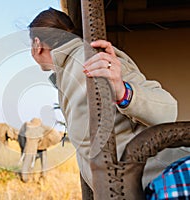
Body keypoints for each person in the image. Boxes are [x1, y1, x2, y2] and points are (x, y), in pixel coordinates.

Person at [28, 7, 181, 199]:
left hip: (162, 184)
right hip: (130, 188)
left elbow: (168, 109)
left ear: (37, 44)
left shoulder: (94, 58)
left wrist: (123, 92)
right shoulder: (67, 73)